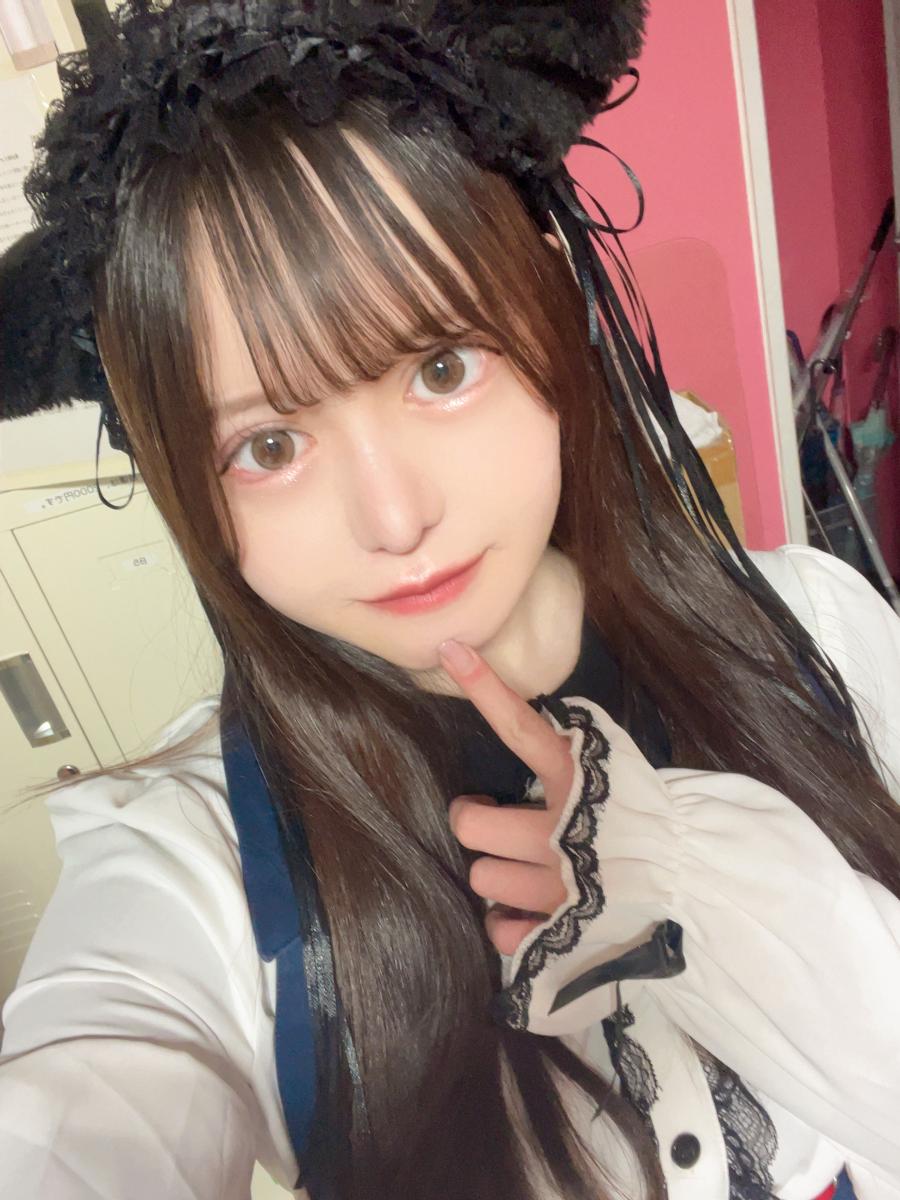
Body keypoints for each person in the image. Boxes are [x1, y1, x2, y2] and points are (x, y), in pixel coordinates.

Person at [0, 3, 898, 1199]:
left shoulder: (816, 633)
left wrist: (729, 894)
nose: (393, 518)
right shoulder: (204, 865)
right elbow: (81, 1108)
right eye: (269, 446)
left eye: (439, 368)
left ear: (549, 309)